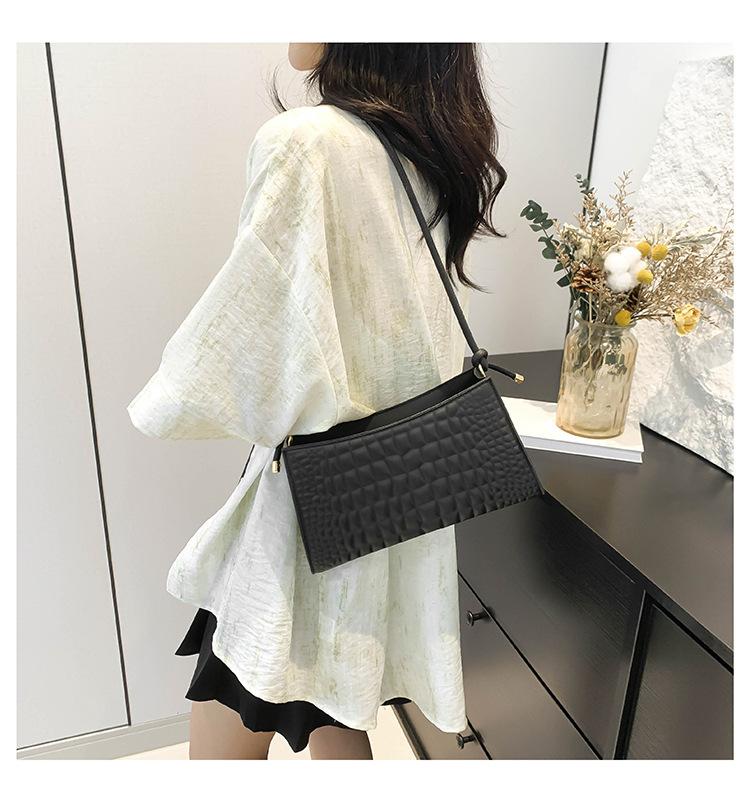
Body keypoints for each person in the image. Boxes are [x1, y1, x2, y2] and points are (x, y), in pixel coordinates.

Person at [127, 42, 507, 760]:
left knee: (241, 700)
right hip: (389, 492)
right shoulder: (423, 151)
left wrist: (167, 400)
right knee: (336, 700)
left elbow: (263, 330)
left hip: (308, 503)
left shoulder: (308, 141)